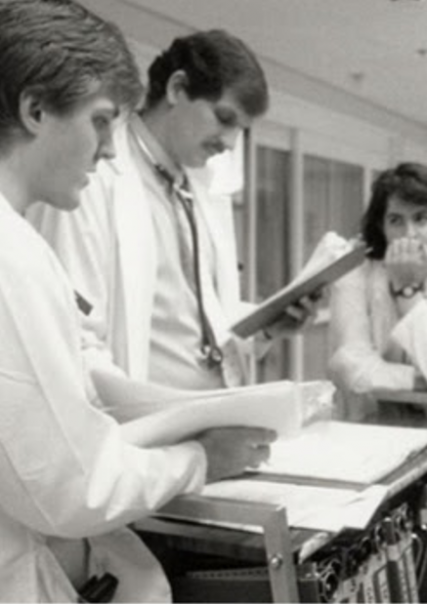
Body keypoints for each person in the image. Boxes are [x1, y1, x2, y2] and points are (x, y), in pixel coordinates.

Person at [0, 1, 274, 600]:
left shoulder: (197, 193)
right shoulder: (15, 255)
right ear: (35, 110)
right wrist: (196, 456)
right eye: (101, 122)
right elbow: (74, 485)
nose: (108, 150)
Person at [28, 28, 332, 391]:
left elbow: (198, 321)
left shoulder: (200, 190)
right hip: (146, 417)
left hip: (214, 411)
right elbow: (75, 338)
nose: (230, 143)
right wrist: (139, 418)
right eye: (224, 118)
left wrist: (266, 326)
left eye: (241, 130)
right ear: (177, 88)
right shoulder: (91, 178)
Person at [328, 162, 427, 422]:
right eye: (396, 221)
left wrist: (407, 292)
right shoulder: (355, 269)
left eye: (421, 219)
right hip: (366, 424)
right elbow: (350, 366)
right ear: (382, 226)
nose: (409, 234)